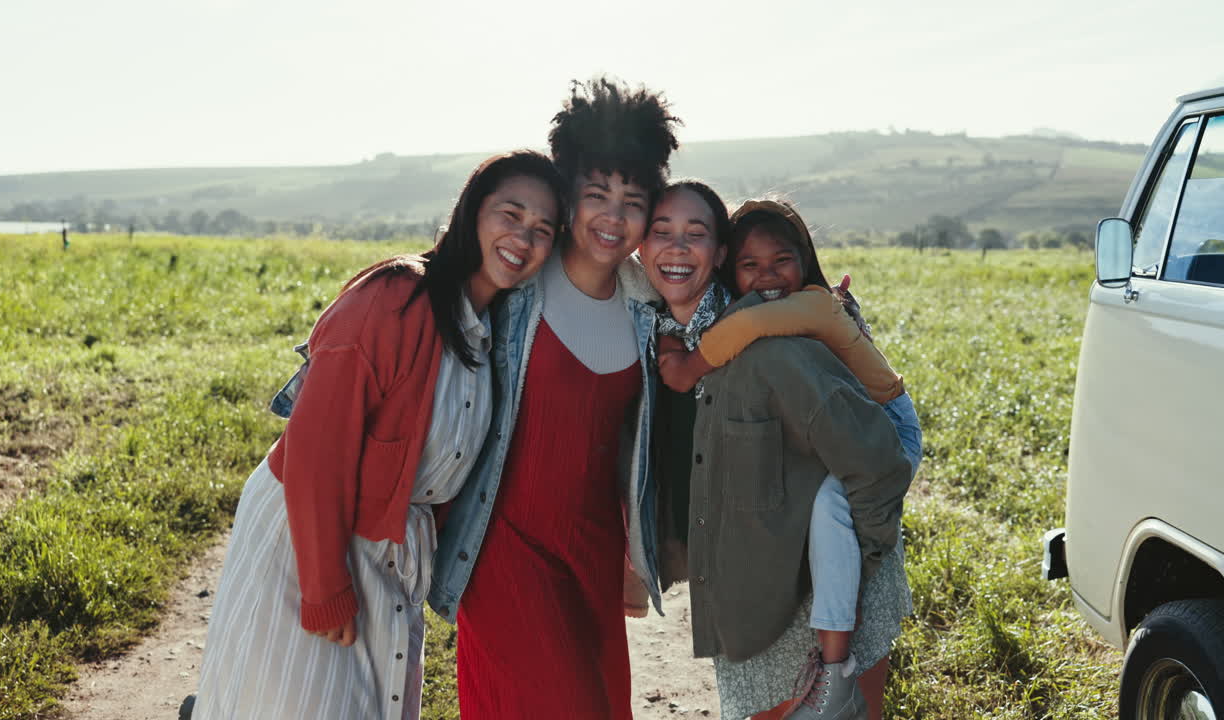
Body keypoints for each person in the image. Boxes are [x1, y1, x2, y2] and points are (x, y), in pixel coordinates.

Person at [189, 151, 564, 720]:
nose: (523, 237)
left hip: (393, 547)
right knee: (292, 702)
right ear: (470, 212)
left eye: (542, 229)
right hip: (310, 539)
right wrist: (323, 586)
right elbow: (316, 445)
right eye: (509, 214)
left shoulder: (492, 328)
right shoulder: (396, 297)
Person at [428, 77, 681, 719]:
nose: (613, 217)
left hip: (591, 551)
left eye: (632, 199)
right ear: (569, 196)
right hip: (504, 543)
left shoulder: (646, 305)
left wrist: (634, 552)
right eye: (597, 194)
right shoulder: (517, 285)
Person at [641, 181, 914, 720]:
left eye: (694, 234)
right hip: (750, 583)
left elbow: (873, 463)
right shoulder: (652, 318)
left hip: (820, 578)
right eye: (660, 232)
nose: (676, 248)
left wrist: (862, 564)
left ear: (715, 252)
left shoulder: (765, 335)